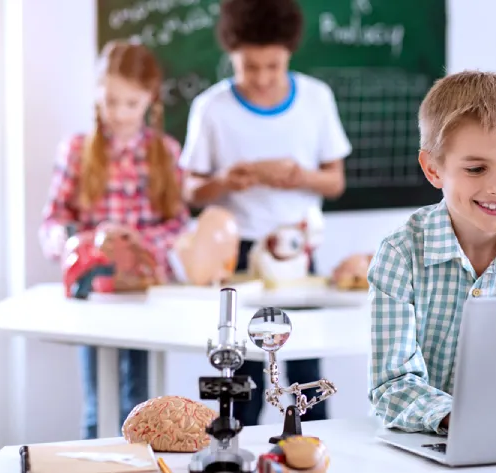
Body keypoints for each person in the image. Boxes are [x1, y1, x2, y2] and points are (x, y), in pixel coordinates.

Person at [368, 71, 496, 433]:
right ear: (433, 169)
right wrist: (471, 420)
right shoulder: (401, 254)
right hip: (425, 447)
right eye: (476, 168)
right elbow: (393, 386)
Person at [179, 0, 352, 426]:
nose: (260, 78)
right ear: (231, 54)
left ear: (289, 53)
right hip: (235, 257)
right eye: (248, 67)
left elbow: (335, 181)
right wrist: (224, 182)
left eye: (272, 66)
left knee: (306, 372)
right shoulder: (212, 107)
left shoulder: (315, 98)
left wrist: (299, 177)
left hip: (299, 254)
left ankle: (312, 454)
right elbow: (191, 191)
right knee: (245, 372)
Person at [38, 40, 189, 439]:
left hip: (144, 297)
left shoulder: (165, 153)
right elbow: (54, 221)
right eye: (110, 101)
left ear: (150, 100)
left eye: (130, 103)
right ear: (96, 95)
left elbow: (178, 225)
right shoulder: (76, 150)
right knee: (97, 408)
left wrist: (136, 240)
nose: (119, 114)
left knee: (140, 404)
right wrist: (86, 241)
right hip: (95, 298)